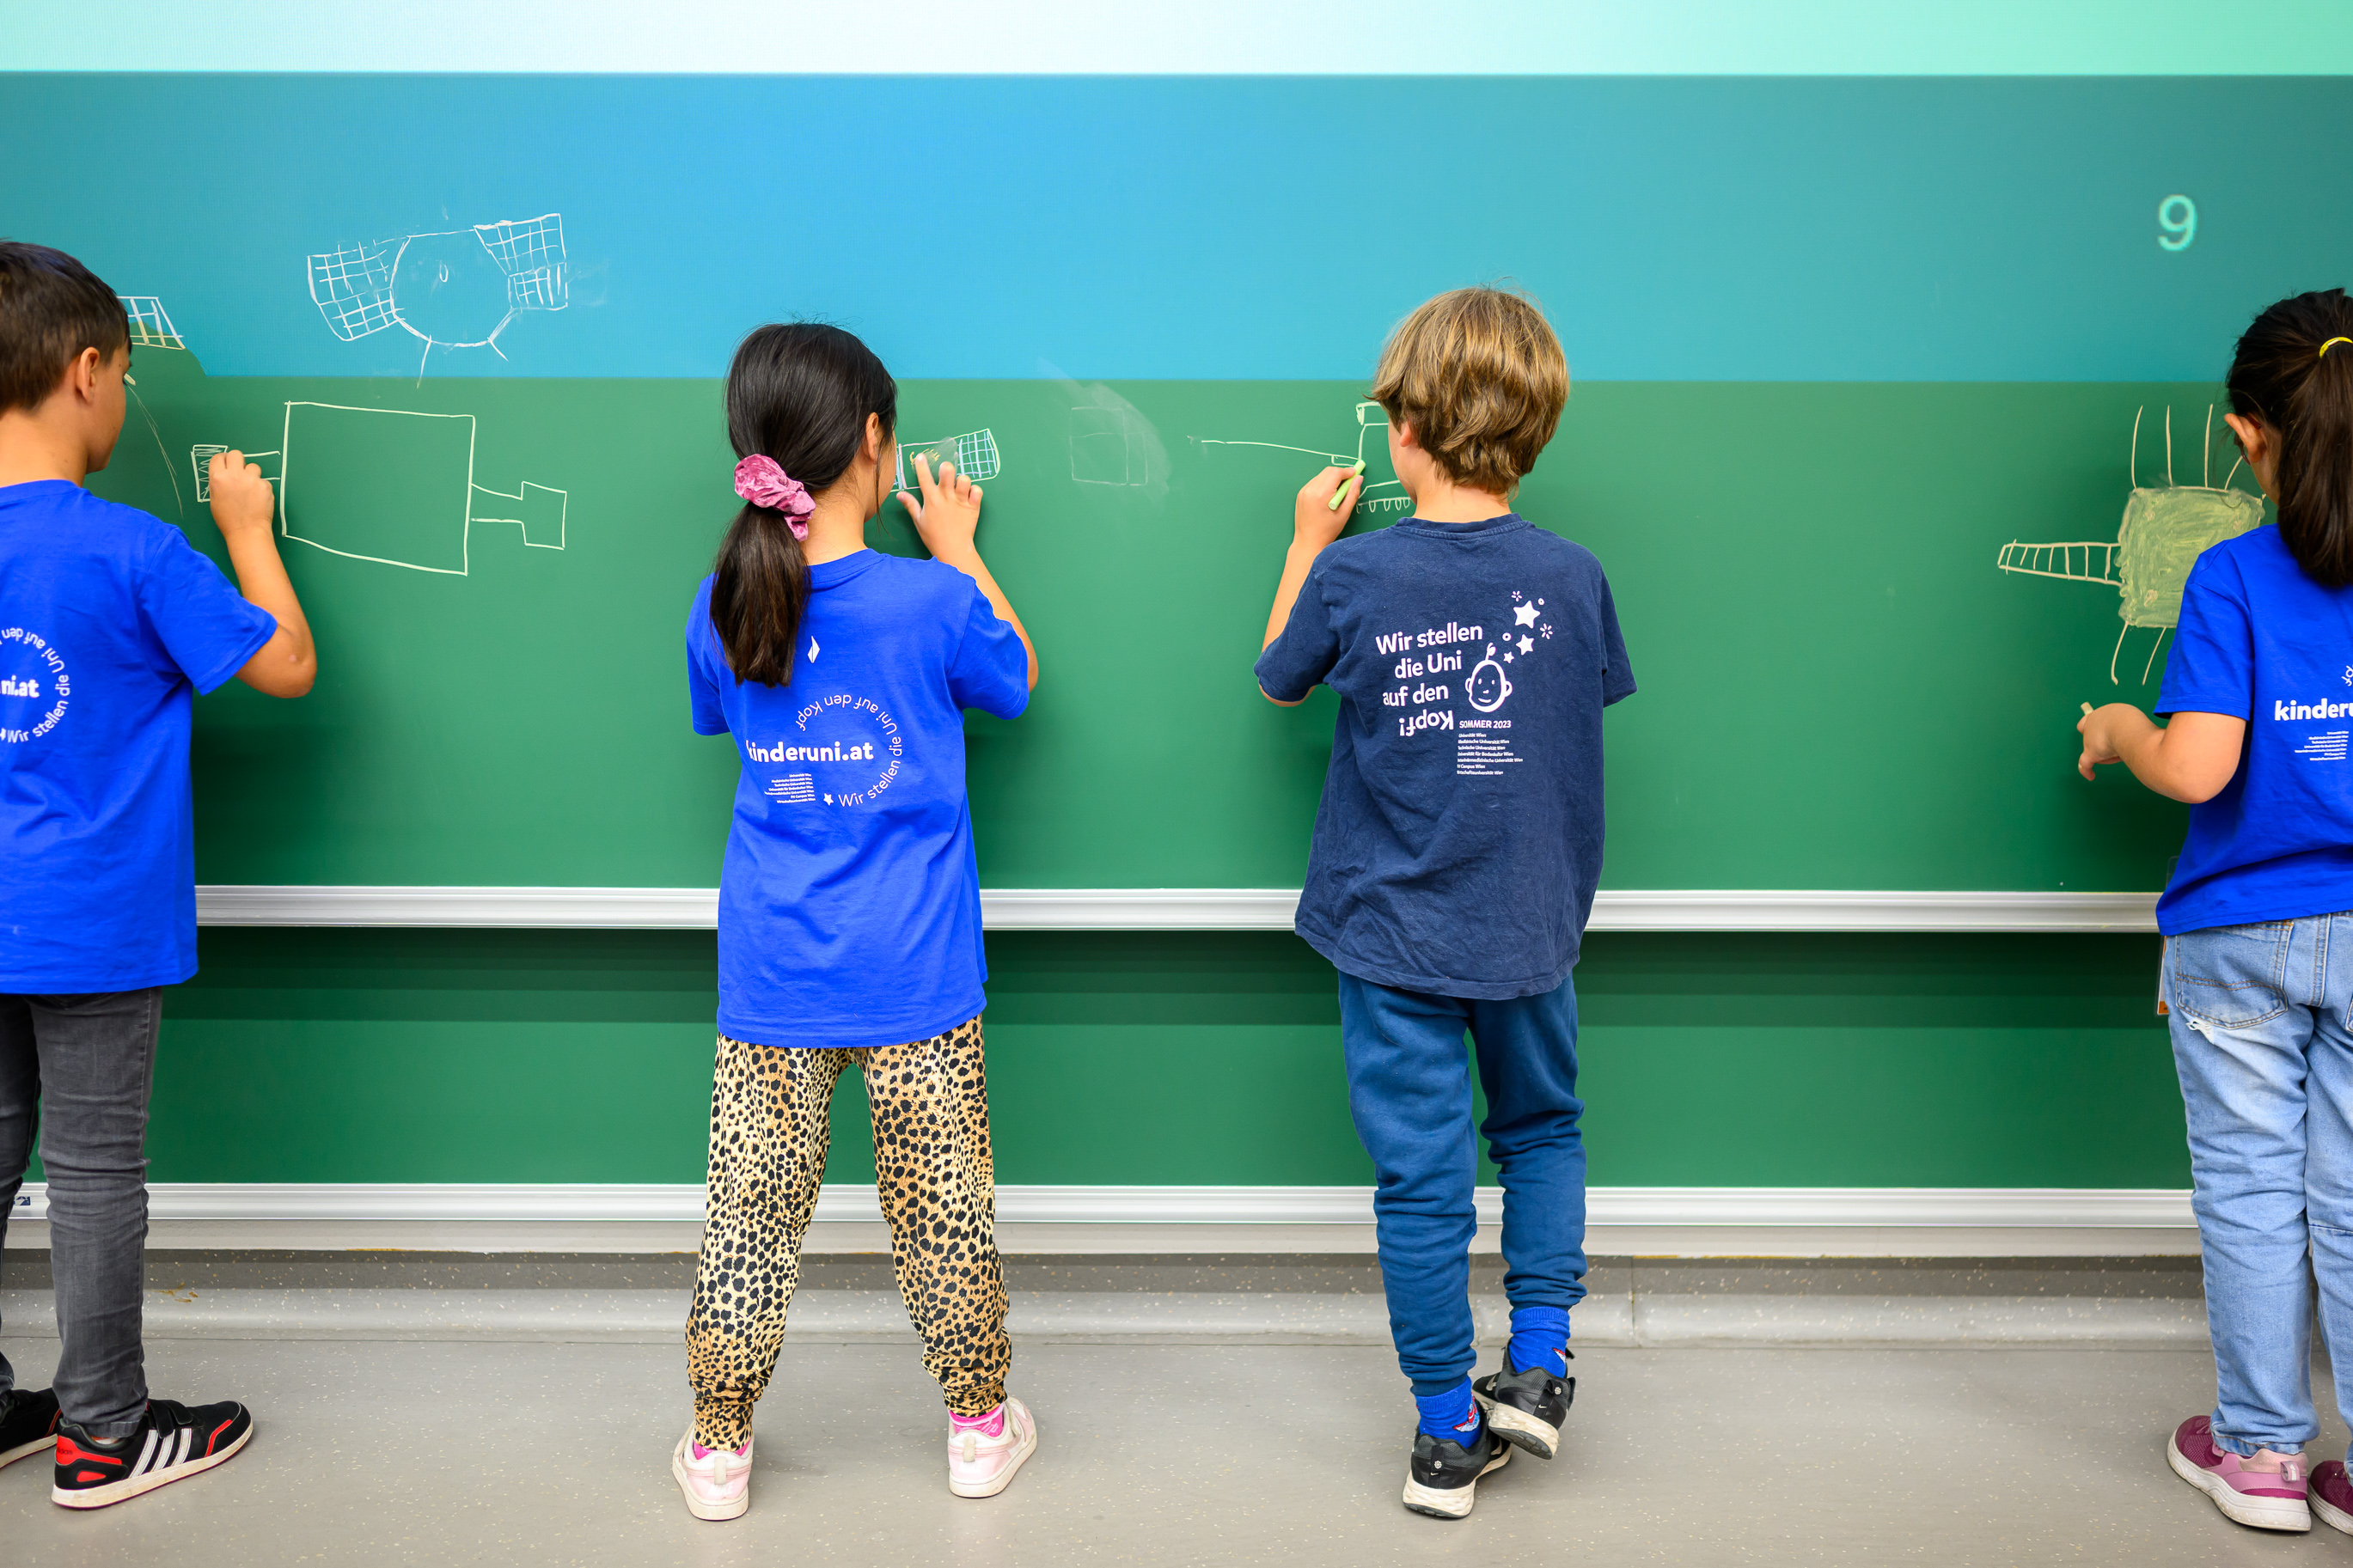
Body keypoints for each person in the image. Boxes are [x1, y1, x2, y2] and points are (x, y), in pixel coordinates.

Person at [1254, 285, 1632, 1519]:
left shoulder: (1355, 574)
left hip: (1388, 930)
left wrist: (1309, 538)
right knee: (1540, 1129)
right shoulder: (1572, 578)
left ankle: (1439, 1432)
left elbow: (1277, 679)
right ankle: (1538, 1358)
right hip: (1528, 921)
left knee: (1418, 1183)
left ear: (1402, 431)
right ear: (1537, 430)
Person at [672, 323, 1039, 1522]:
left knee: (747, 1220)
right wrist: (963, 548)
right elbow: (1017, 680)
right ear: (874, 442)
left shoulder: (721, 602)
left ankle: (719, 1447)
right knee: (942, 1213)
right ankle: (978, 1429)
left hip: (773, 978)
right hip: (918, 979)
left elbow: (723, 725)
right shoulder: (934, 601)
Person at [0, 241, 315, 1508]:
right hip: (91, 927)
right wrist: (246, 529)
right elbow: (284, 662)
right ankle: (104, 1431)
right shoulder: (132, 549)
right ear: (86, 375)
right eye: (124, 374)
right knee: (90, 1177)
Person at [2080, 289, 2353, 1539]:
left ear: (2249, 436)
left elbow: (2196, 768)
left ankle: (2259, 1455)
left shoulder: (2232, 572)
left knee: (2250, 1191)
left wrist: (2121, 727)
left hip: (2238, 937)